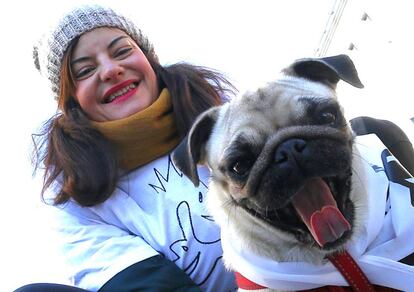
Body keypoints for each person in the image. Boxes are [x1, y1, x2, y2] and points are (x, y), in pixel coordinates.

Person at [17, 4, 238, 292]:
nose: (111, 70)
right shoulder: (71, 194)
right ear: (72, 103)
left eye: (121, 51)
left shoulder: (215, 104)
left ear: (148, 59)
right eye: (85, 70)